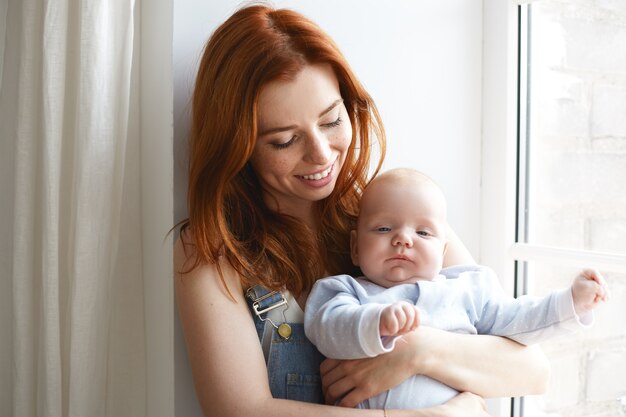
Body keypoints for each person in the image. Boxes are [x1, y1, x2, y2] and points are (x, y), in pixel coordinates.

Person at [174, 4, 552, 417]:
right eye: (284, 141)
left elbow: (530, 370)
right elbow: (239, 410)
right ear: (238, 146)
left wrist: (415, 350)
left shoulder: (393, 211)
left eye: (332, 121)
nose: (320, 155)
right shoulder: (211, 249)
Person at [305, 168, 609, 410]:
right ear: (355, 248)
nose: (403, 239)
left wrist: (571, 302)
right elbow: (328, 328)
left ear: (443, 249)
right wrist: (376, 323)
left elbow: (521, 319)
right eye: (384, 228)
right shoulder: (345, 292)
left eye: (422, 232)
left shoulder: (468, 290)